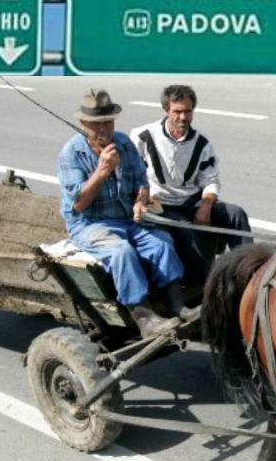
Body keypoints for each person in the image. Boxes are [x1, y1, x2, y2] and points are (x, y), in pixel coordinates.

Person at [56, 88, 198, 338]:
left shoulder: (123, 143)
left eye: (108, 123)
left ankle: (178, 306)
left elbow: (141, 181)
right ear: (83, 124)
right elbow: (78, 204)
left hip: (126, 219)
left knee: (162, 243)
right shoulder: (71, 154)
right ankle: (143, 317)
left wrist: (141, 200)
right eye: (96, 125)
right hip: (90, 224)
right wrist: (101, 172)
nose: (103, 130)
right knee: (122, 251)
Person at [130, 85, 251, 283]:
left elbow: (210, 179)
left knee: (235, 213)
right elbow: (132, 173)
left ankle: (249, 273)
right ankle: (208, 284)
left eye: (188, 111)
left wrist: (205, 206)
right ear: (166, 111)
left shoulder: (201, 143)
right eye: (177, 112)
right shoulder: (143, 136)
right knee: (189, 233)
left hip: (191, 201)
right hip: (160, 205)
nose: (183, 118)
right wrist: (141, 198)